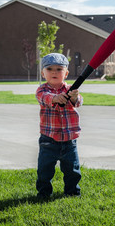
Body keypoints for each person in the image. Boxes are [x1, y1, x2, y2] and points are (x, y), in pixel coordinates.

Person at [36, 53, 83, 198]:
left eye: (59, 69)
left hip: (69, 140)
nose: (54, 72)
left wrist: (75, 97)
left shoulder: (70, 89)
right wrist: (55, 98)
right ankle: (44, 193)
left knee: (72, 170)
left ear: (66, 73)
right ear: (43, 73)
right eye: (49, 69)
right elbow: (45, 98)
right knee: (45, 170)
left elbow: (79, 101)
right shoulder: (42, 90)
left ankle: (72, 192)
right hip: (48, 140)